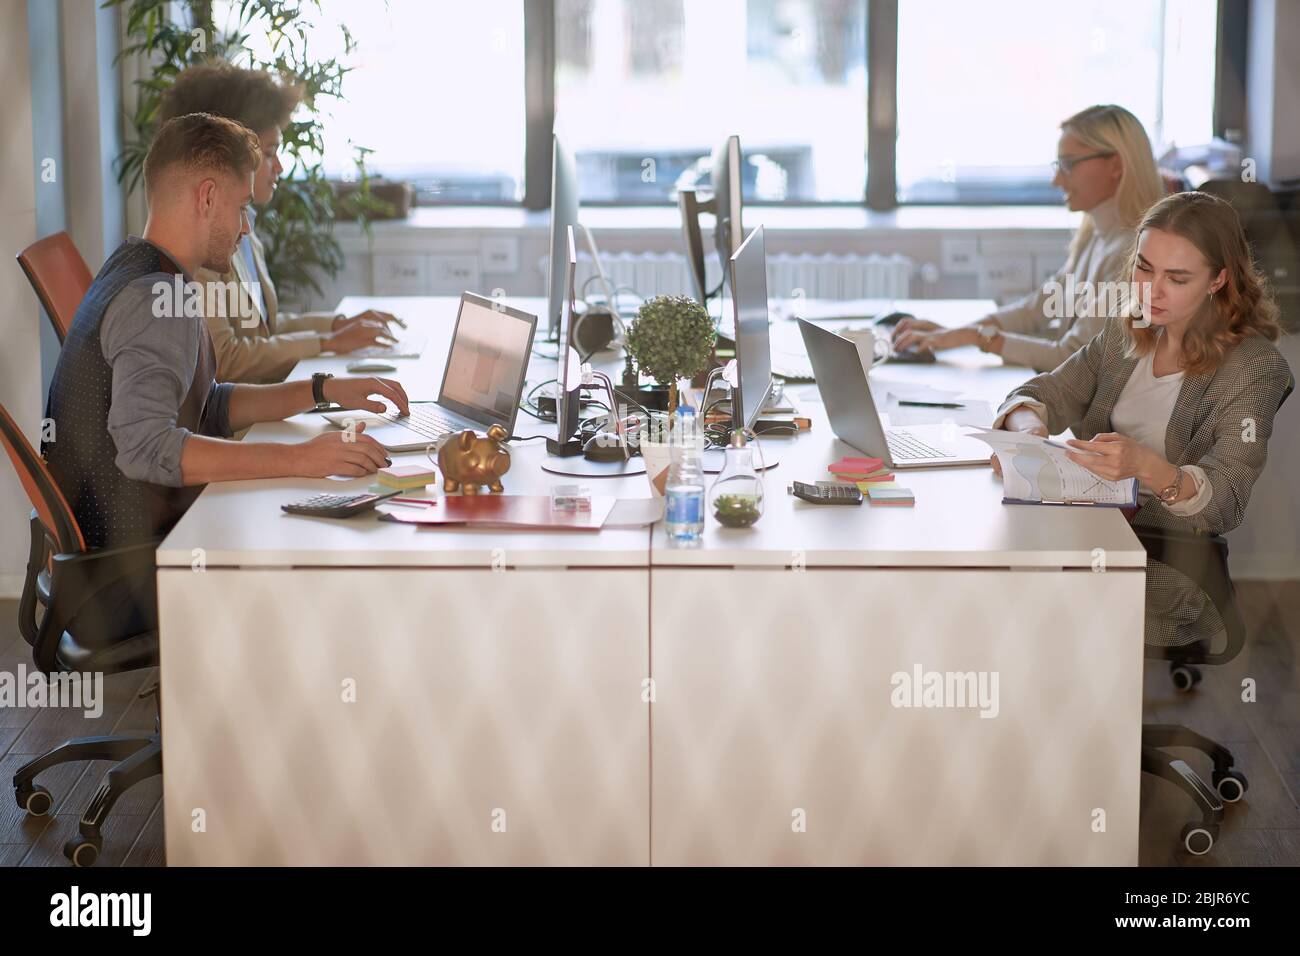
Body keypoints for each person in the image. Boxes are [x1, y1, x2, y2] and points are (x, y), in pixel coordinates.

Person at [43, 114, 407, 636]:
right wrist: (302, 457)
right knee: (321, 552)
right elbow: (147, 447)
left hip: (120, 556)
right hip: (127, 576)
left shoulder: (137, 267)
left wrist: (320, 390)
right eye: (240, 208)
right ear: (207, 197)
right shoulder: (155, 301)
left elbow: (207, 403)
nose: (245, 226)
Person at [990, 191, 1292, 646]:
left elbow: (1226, 499)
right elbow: (1043, 392)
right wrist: (1029, 432)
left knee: (998, 588)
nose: (1151, 290)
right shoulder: (1129, 329)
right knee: (982, 563)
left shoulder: (1251, 368)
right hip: (1087, 525)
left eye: (1177, 277)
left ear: (1218, 280)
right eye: (1144, 268)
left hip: (1163, 561)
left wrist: (1145, 465)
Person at [159, 63, 401, 382]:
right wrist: (326, 343)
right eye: (271, 152)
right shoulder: (199, 247)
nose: (280, 167)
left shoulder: (244, 225)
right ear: (223, 155)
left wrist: (336, 325)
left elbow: (264, 326)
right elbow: (226, 359)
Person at [894, 104, 1166, 372]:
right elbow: (1035, 311)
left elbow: (1071, 356)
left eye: (1069, 165)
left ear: (1116, 165)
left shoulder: (1130, 254)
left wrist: (975, 337)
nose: (1057, 180)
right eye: (1058, 165)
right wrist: (956, 333)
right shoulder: (1095, 237)